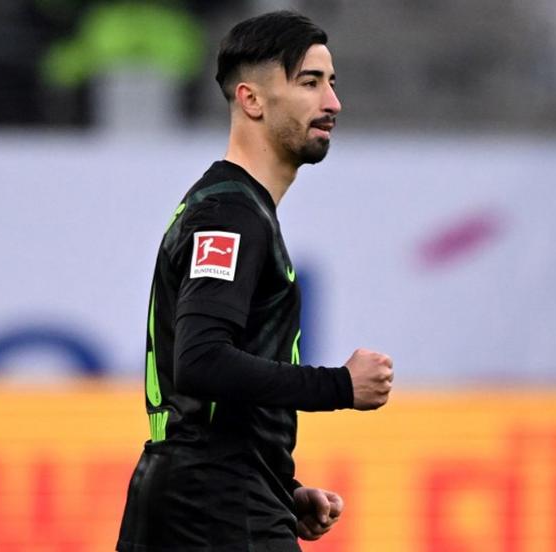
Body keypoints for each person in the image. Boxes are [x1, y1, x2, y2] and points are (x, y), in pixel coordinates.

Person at [116, 11, 394, 552]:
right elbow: (200, 362)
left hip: (211, 494)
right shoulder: (229, 215)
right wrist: (339, 386)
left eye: (331, 83)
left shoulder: (233, 208)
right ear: (252, 100)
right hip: (213, 502)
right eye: (309, 82)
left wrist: (279, 486)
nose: (332, 103)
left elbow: (205, 401)